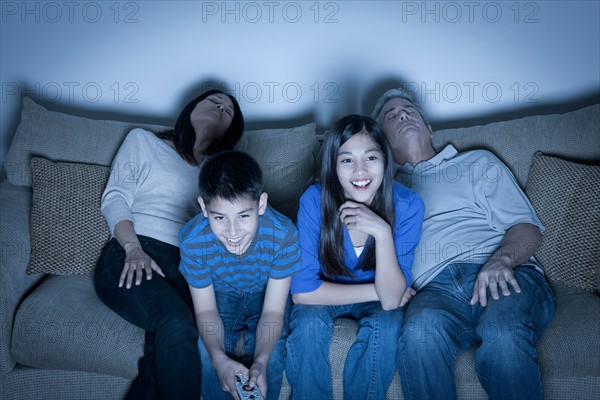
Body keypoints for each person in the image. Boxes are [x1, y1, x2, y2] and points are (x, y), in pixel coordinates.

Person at [372, 88, 556, 399]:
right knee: (418, 336)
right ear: (382, 143)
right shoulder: (380, 191)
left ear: (429, 128)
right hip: (434, 293)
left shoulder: (476, 163)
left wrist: (502, 260)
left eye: (409, 109)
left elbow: (528, 229)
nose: (402, 114)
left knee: (502, 336)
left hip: (498, 270)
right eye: (391, 116)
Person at [95, 89, 244, 400]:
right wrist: (133, 249)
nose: (220, 106)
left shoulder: (219, 171)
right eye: (213, 100)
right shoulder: (143, 141)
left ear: (230, 130)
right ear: (190, 108)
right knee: (177, 324)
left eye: (228, 109)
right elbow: (115, 197)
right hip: (134, 251)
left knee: (170, 348)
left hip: (189, 266)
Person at [285, 114, 425, 400]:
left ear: (385, 161)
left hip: (370, 305)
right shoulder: (314, 199)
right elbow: (303, 293)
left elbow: (389, 305)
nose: (360, 171)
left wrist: (382, 232)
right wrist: (379, 291)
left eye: (370, 158)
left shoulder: (408, 205)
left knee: (388, 323)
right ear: (333, 166)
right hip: (323, 298)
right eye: (347, 160)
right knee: (309, 323)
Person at [178, 150, 301, 400]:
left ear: (262, 205)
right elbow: (206, 312)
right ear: (203, 207)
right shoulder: (192, 240)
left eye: (244, 215)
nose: (232, 232)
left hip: (265, 294)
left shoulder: (284, 234)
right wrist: (219, 359)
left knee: (273, 352)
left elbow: (273, 312)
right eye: (220, 217)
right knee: (206, 351)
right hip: (221, 293)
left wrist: (261, 362)